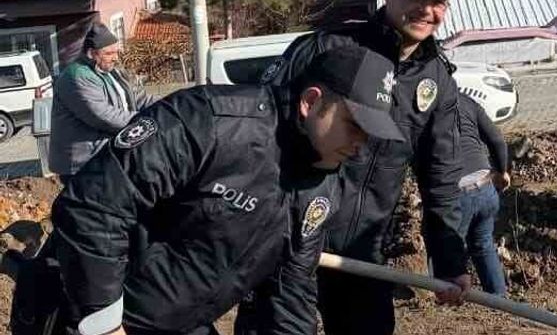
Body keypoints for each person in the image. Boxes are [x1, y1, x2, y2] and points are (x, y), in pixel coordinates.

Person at [49, 46, 403, 335]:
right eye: (354, 126)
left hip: (180, 321)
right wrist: (104, 324)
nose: (361, 145)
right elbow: (92, 207)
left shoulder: (324, 183)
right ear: (310, 102)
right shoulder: (208, 122)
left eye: (371, 133)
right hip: (84, 308)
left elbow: (290, 287)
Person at [245, 0, 470, 335]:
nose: (426, 10)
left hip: (361, 255)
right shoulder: (328, 48)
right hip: (288, 240)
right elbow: (261, 130)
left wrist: (449, 261)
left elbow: (441, 175)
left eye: (438, 1)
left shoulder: (438, 80)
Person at [49, 22, 154, 176]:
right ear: (91, 54)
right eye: (109, 53)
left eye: (117, 52)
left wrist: (170, 105)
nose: (115, 58)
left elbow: (139, 98)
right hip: (83, 165)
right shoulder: (77, 77)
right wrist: (147, 122)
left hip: (105, 158)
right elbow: (104, 116)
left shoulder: (111, 71)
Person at [450, 94, 511, 297]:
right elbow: (497, 140)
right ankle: (499, 299)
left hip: (456, 193)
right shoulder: (466, 101)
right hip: (486, 186)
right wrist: (502, 172)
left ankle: (448, 297)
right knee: (483, 244)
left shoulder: (426, 107)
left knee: (449, 246)